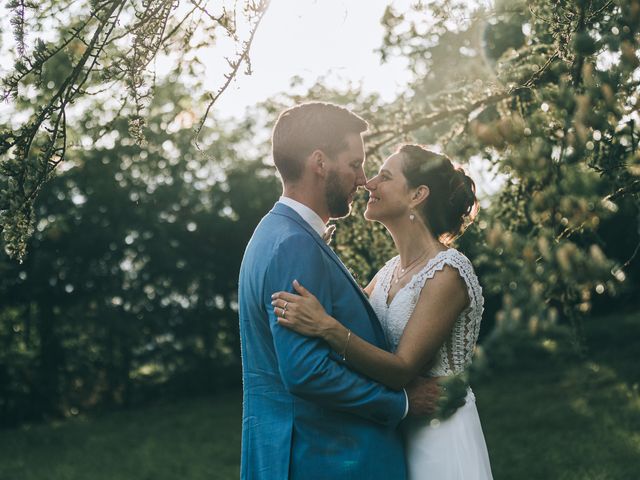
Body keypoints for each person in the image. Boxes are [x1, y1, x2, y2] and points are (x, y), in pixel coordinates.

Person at [238, 103, 463, 480]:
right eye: (355, 164)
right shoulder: (294, 244)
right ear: (320, 162)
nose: (363, 180)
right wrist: (402, 403)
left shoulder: (273, 233)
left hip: (287, 453)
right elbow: (307, 372)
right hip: (328, 457)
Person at [272, 144, 493, 479]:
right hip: (396, 431)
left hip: (441, 436)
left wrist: (326, 328)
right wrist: (314, 252)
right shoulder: (389, 272)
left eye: (385, 176)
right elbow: (351, 320)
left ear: (418, 194)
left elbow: (401, 369)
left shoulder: (448, 272)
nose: (368, 183)